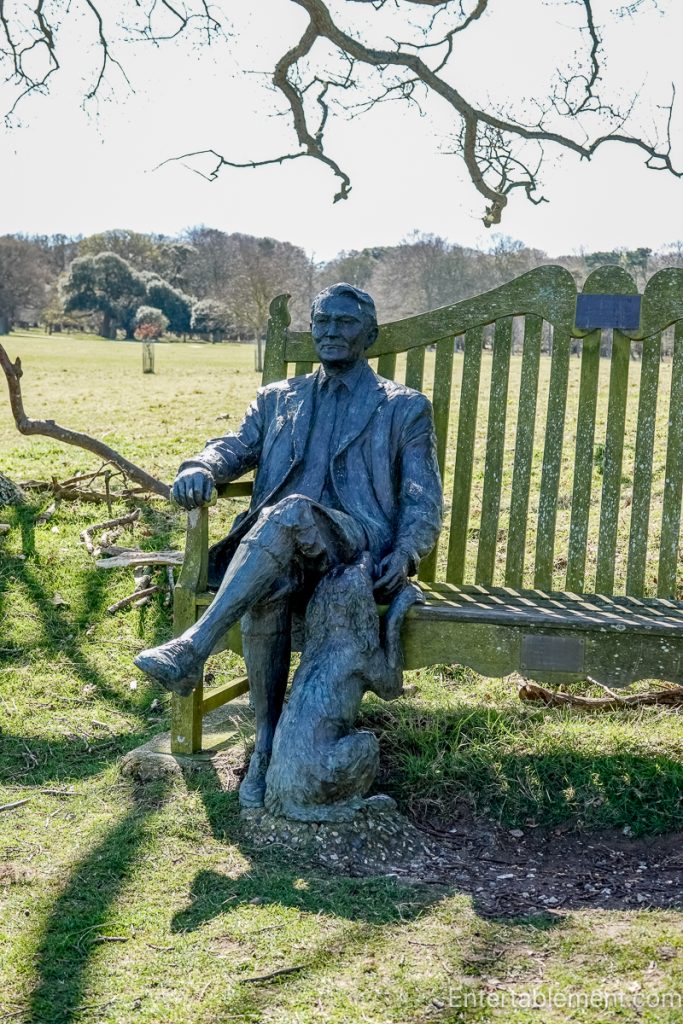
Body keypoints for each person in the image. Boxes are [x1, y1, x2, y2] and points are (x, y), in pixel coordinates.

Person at [135, 283, 443, 807]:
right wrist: (200, 466)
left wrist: (410, 550)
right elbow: (233, 447)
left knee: (291, 512)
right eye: (321, 321)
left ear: (369, 335)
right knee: (270, 581)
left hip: (351, 549)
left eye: (344, 322)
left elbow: (421, 495)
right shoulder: (279, 398)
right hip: (278, 554)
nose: (329, 331)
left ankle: (194, 648)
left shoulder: (403, 407)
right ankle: (265, 750)